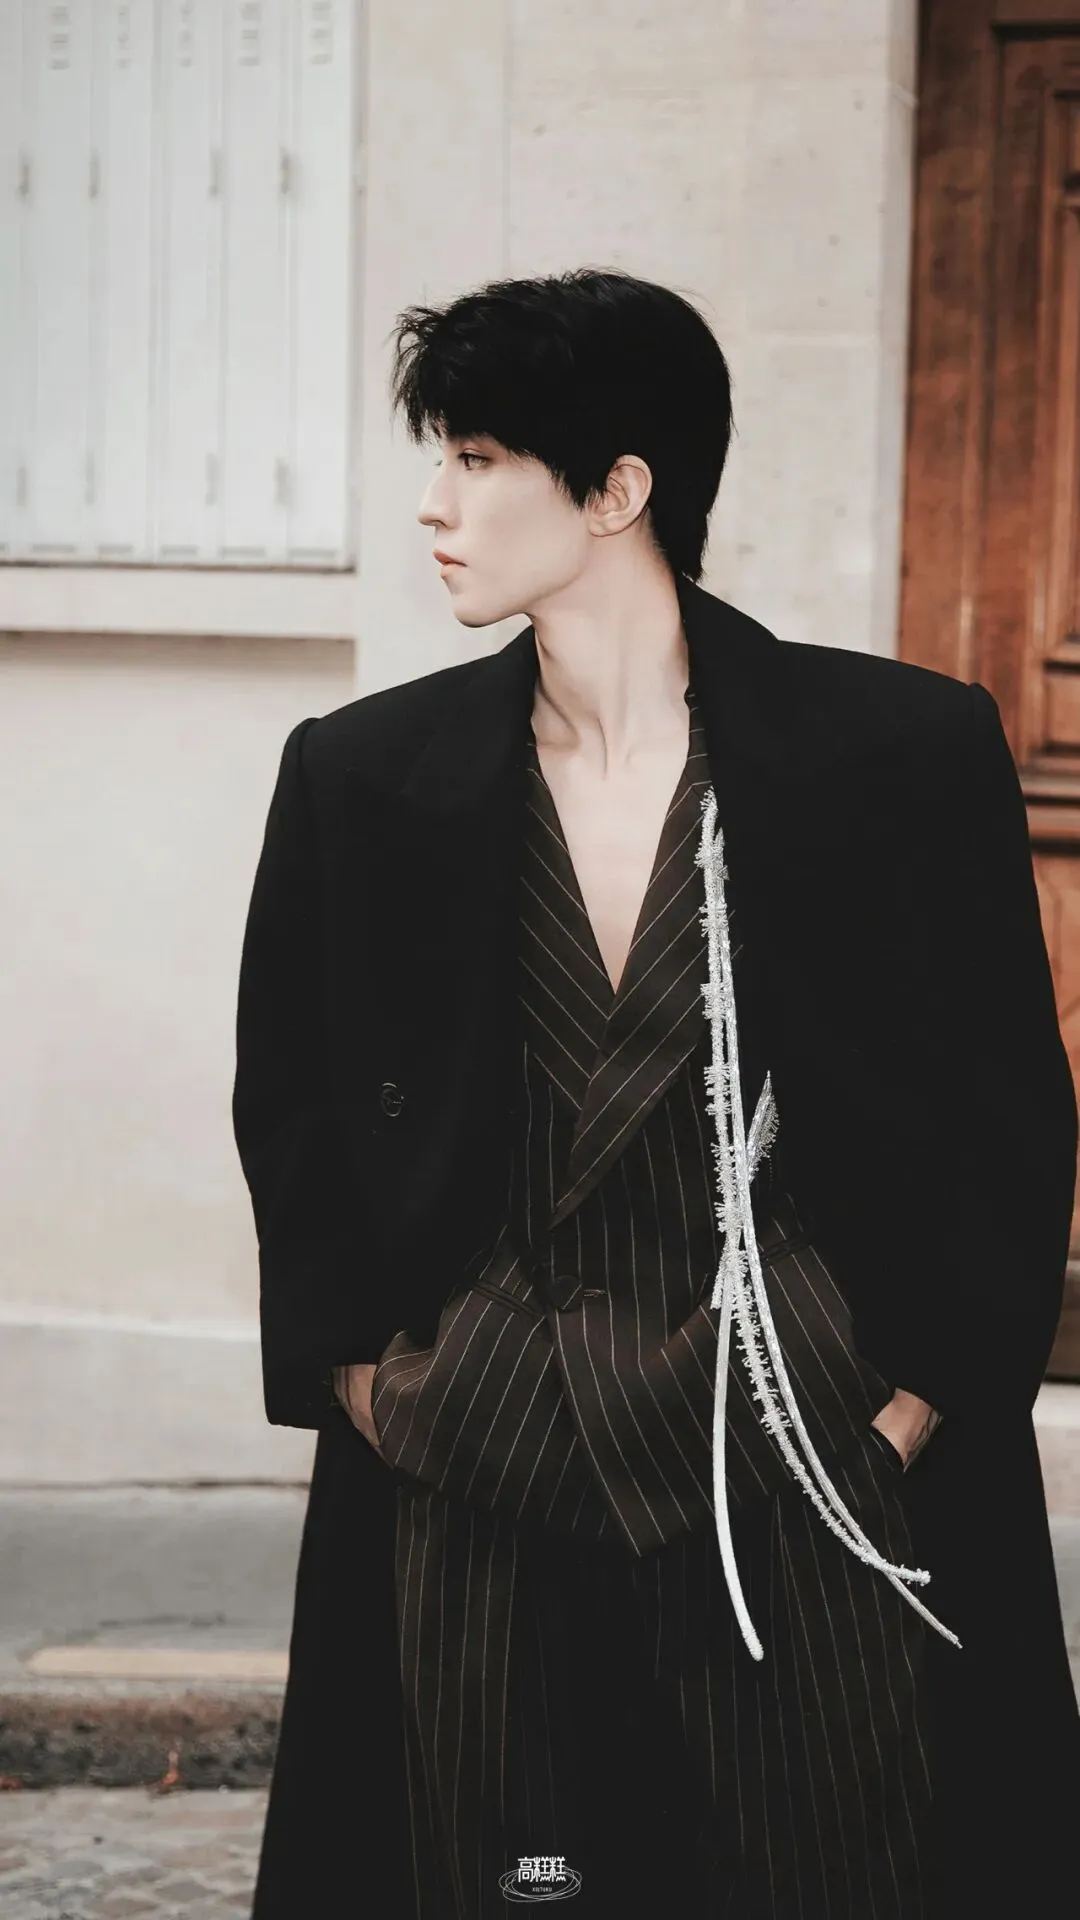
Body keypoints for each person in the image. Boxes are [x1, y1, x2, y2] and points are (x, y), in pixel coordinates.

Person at [232, 268, 1080, 1920]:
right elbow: (296, 1108)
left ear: (619, 490)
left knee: (839, 1870)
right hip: (478, 1454)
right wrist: (375, 1383)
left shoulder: (903, 752)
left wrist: (910, 1404)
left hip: (804, 1454)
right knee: (501, 1880)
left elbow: (1005, 1109)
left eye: (480, 458)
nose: (433, 506)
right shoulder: (362, 773)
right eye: (441, 457)